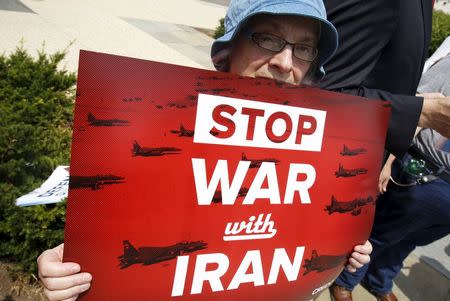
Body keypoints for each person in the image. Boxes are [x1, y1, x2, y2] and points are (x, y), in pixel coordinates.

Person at [37, 0, 373, 300]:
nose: (285, 62)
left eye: (304, 48)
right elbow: (120, 223)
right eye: (269, 39)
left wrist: (344, 245)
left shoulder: (327, 151)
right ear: (229, 49)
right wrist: (74, 265)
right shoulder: (155, 126)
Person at [324, 0, 450, 297]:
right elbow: (322, 93)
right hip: (338, 169)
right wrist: (421, 115)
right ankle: (345, 282)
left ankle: (377, 281)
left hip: (370, 157)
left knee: (401, 240)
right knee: (380, 235)